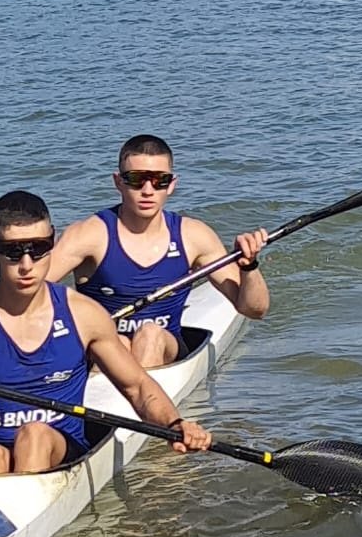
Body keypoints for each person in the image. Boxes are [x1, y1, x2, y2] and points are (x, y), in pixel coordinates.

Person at [0, 190, 213, 475]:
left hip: (57, 445)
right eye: (13, 251)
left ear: (53, 242)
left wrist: (175, 425)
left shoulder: (83, 314)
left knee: (35, 435)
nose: (27, 264)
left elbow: (138, 388)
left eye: (39, 248)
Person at [43, 134, 270, 369]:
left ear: (171, 184)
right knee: (113, 341)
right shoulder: (89, 235)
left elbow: (254, 310)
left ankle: (140, 398)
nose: (148, 190)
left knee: (149, 334)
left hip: (164, 346)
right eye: (136, 179)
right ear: (118, 182)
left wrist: (249, 267)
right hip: (105, 350)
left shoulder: (193, 236)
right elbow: (25, 293)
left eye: (159, 180)